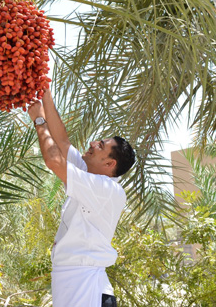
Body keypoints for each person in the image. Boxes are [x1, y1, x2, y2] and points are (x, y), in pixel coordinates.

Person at [27, 89, 136, 307]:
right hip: (75, 284)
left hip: (87, 289)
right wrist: (45, 91)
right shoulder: (88, 173)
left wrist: (40, 121)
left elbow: (54, 161)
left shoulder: (106, 189)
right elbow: (63, 143)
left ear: (109, 164)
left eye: (101, 146)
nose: (93, 143)